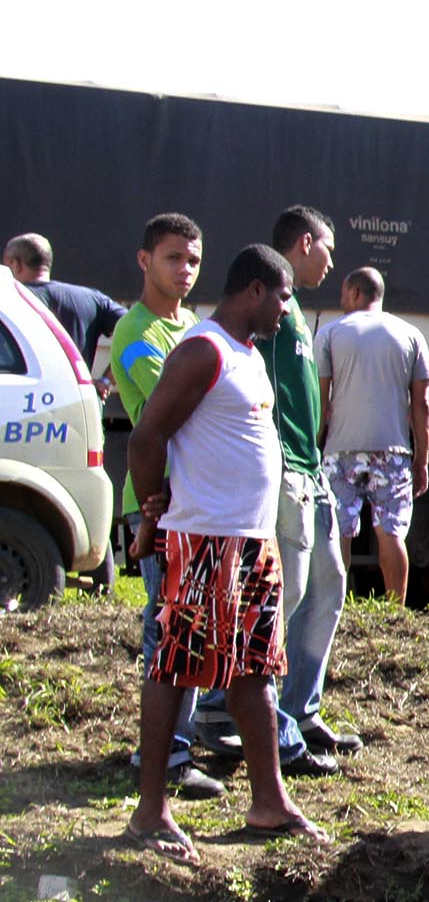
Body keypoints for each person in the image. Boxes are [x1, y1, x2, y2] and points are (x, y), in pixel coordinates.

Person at [122, 245, 330, 862]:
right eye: (285, 295)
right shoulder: (204, 350)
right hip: (202, 538)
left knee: (255, 669)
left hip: (248, 542)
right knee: (174, 668)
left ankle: (269, 802)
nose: (288, 309)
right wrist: (150, 512)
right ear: (255, 291)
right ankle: (150, 812)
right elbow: (146, 436)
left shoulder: (247, 355)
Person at [194, 206, 353, 768]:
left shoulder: (292, 310)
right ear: (305, 242)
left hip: (312, 469)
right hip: (285, 470)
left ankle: (299, 708)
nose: (332, 262)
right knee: (279, 600)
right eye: (327, 249)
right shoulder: (266, 309)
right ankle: (227, 707)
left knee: (327, 586)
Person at [107, 213, 218, 800]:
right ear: (144, 260)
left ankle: (179, 740)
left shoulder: (192, 326)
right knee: (169, 627)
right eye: (174, 257)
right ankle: (166, 756)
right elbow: (179, 406)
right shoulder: (136, 333)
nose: (185, 269)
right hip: (157, 500)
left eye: (194, 260)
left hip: (196, 499)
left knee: (192, 625)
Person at [315, 267, 429, 602]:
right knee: (392, 533)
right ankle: (395, 610)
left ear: (354, 293)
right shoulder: (411, 335)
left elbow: (321, 403)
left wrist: (316, 443)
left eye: (342, 294)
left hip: (341, 450)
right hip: (393, 451)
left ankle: (334, 608)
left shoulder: (330, 333)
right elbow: (421, 405)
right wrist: (421, 461)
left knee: (338, 532)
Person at [5, 231, 126, 380]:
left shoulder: (9, 299)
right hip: (77, 398)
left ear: (16, 265)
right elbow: (137, 331)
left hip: (24, 398)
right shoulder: (92, 299)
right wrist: (106, 380)